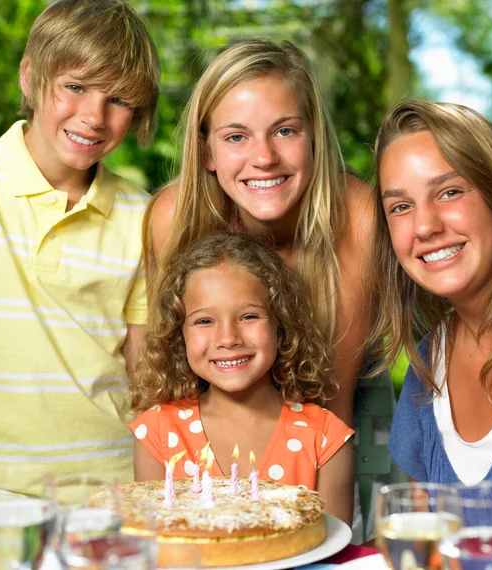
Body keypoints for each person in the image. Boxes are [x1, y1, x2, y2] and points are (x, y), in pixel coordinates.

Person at [0, 0, 160, 488]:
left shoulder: (143, 215)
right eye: (75, 87)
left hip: (114, 492)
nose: (94, 116)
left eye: (118, 100)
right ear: (30, 78)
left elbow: (146, 375)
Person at [368, 100, 492, 569]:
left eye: (449, 192)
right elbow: (421, 551)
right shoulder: (425, 365)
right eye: (401, 206)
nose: (426, 226)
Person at [145, 39, 375, 428]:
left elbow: (332, 412)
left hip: (329, 441)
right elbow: (170, 386)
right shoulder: (176, 218)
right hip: (212, 454)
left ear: (313, 136)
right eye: (236, 137)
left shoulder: (358, 217)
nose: (265, 158)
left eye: (285, 131)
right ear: (207, 152)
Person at [130, 231, 355, 524]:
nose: (228, 338)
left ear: (281, 323)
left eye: (249, 316)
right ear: (178, 334)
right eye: (204, 321)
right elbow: (155, 545)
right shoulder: (158, 432)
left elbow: (333, 553)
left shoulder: (324, 438)